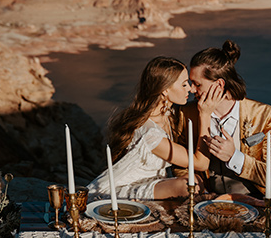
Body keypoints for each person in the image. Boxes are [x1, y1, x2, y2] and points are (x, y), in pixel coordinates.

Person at [88, 56, 221, 200]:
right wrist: (205, 114)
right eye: (184, 84)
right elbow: (201, 163)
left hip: (153, 182)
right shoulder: (150, 134)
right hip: (120, 190)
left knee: (195, 181)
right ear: (164, 90)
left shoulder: (168, 115)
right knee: (188, 185)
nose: (189, 88)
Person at [177, 39, 271, 197]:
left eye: (197, 84)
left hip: (255, 201)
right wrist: (200, 189)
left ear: (219, 84)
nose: (191, 89)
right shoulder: (186, 113)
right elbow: (180, 165)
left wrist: (234, 157)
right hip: (206, 201)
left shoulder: (265, 115)